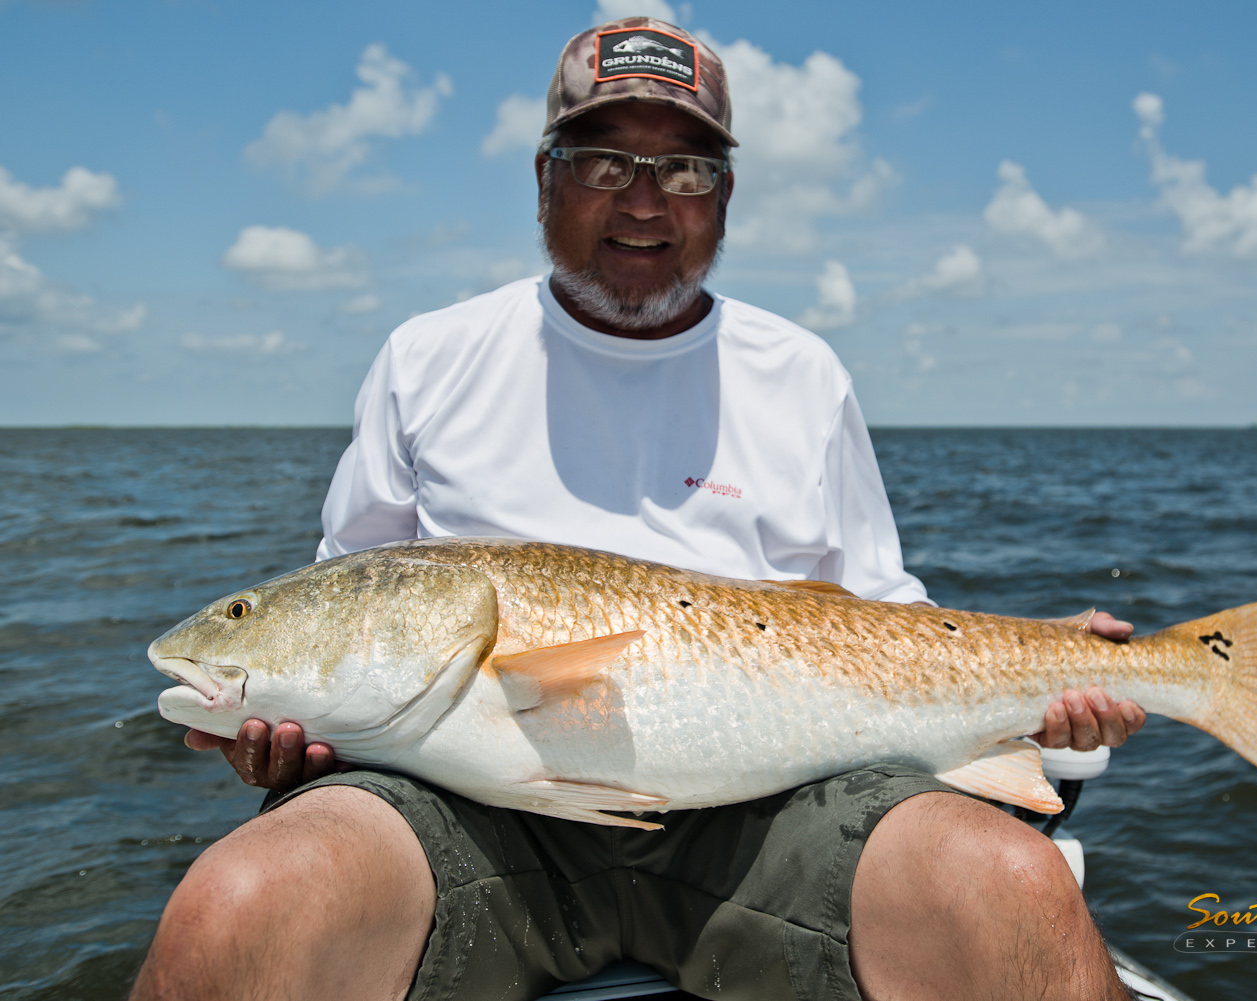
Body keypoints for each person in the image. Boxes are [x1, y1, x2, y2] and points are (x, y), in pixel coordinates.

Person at [132, 18, 1145, 1001]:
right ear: (544, 179)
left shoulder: (801, 373)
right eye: (605, 162)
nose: (647, 200)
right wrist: (290, 726)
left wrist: (1051, 663)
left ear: (727, 195)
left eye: (688, 169)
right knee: (235, 905)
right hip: (463, 812)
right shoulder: (426, 359)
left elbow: (880, 615)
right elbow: (347, 596)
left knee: (1018, 890)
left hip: (770, 814)